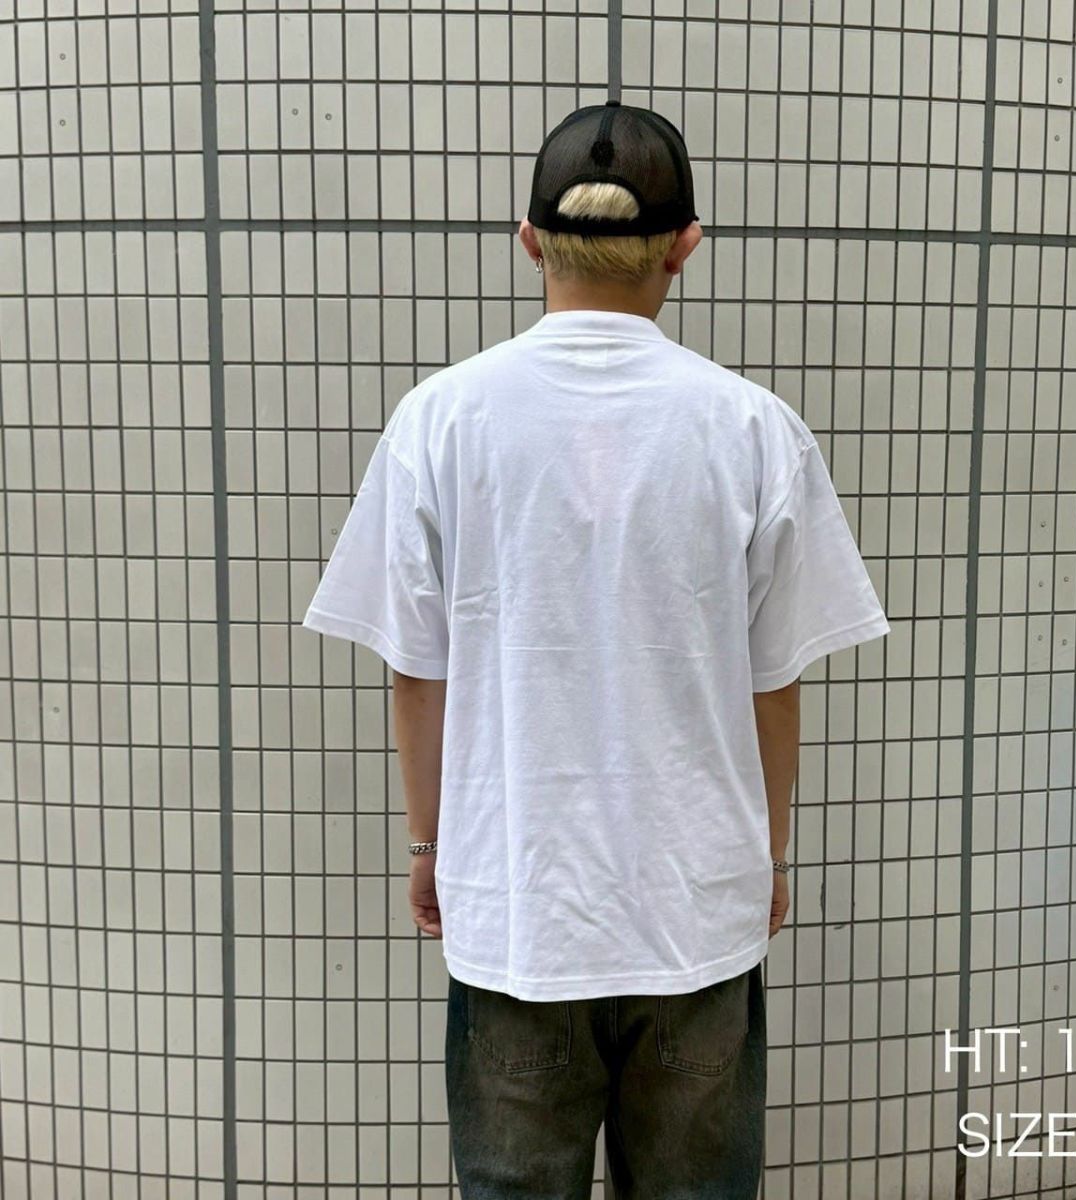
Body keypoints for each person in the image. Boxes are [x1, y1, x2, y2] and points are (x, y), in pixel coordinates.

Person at [300, 99, 891, 1199]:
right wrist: (766, 858)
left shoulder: (440, 420)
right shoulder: (752, 428)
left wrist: (430, 845)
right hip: (696, 911)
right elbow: (774, 686)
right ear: (685, 245)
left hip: (517, 907)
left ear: (529, 240)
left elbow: (416, 671)